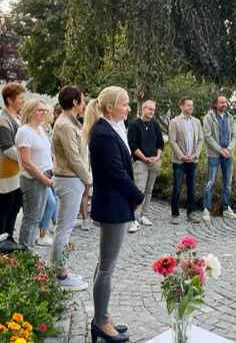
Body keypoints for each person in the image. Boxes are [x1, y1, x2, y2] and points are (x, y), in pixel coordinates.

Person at [83, 86, 144, 342]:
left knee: (105, 264)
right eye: (125, 104)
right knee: (107, 267)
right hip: (113, 205)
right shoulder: (104, 134)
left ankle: (103, 316)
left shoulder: (109, 129)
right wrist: (137, 196)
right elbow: (116, 173)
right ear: (110, 107)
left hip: (115, 203)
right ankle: (100, 322)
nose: (129, 108)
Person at [51, 85, 92, 291]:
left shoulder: (70, 122)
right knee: (64, 228)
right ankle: (60, 274)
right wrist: (88, 179)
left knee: (64, 228)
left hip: (72, 178)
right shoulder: (65, 125)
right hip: (69, 179)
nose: (84, 104)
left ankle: (61, 268)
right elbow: (74, 157)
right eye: (82, 100)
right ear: (75, 102)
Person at [16, 99, 54, 249]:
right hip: (33, 178)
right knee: (31, 217)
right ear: (30, 111)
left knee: (38, 215)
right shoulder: (24, 131)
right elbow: (26, 162)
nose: (43, 113)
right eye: (40, 110)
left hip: (45, 175)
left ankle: (28, 247)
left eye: (45, 111)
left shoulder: (40, 129)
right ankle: (25, 249)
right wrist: (45, 179)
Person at [0, 83, 26, 241]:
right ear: (10, 100)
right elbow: (7, 148)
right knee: (5, 204)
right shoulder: (2, 119)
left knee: (15, 205)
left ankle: (8, 237)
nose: (23, 101)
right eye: (20, 98)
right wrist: (26, 159)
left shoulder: (16, 117)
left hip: (16, 169)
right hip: (6, 169)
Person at [126, 99, 164, 232]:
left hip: (154, 162)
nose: (152, 112)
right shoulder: (134, 125)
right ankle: (132, 218)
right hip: (140, 162)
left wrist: (156, 157)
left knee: (149, 190)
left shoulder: (155, 125)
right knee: (138, 190)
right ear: (143, 109)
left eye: (153, 110)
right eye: (149, 109)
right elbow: (133, 145)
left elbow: (160, 144)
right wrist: (145, 158)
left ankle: (144, 215)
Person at [202, 94, 236, 221]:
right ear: (215, 104)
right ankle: (206, 209)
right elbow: (207, 136)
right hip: (214, 154)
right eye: (221, 102)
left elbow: (235, 135)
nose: (224, 104)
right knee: (210, 182)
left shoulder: (230, 117)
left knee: (227, 183)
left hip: (227, 154)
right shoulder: (208, 118)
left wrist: (228, 149)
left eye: (225, 102)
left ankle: (226, 208)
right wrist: (220, 150)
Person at [168, 97, 204, 224]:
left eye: (192, 105)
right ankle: (175, 214)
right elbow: (172, 141)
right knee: (177, 187)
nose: (191, 107)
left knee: (191, 187)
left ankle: (191, 213)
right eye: (188, 105)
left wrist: (195, 155)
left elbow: (200, 139)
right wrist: (181, 155)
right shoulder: (174, 122)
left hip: (193, 160)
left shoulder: (197, 122)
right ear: (181, 107)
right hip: (179, 161)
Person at [37, 103, 58, 246]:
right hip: (41, 171)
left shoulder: (47, 129)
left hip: (49, 170)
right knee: (50, 203)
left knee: (53, 201)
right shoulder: (40, 130)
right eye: (50, 113)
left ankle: (51, 229)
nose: (53, 116)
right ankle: (41, 234)